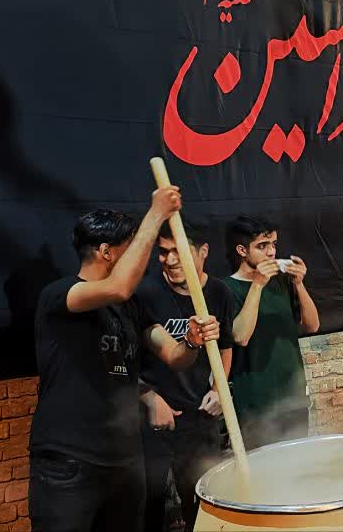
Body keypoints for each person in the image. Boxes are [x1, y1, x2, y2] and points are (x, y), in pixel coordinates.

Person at [29, 190, 221, 531]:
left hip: (125, 460)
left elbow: (175, 356)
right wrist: (156, 214)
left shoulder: (130, 307)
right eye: (131, 246)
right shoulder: (60, 295)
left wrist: (192, 341)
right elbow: (118, 287)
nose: (141, 255)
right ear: (106, 252)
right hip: (70, 461)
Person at [137, 217, 235, 532]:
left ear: (203, 251)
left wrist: (219, 390)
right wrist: (149, 397)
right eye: (163, 252)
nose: (170, 260)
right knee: (149, 504)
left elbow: (225, 348)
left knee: (201, 501)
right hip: (155, 417)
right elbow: (132, 357)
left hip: (199, 416)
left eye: (178, 251)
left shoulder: (219, 292)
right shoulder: (146, 292)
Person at [225, 215, 320, 449]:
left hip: (293, 398)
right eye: (262, 246)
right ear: (242, 250)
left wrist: (299, 283)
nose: (271, 252)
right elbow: (241, 336)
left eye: (274, 244)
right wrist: (257, 284)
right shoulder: (227, 288)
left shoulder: (282, 282)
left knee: (299, 461)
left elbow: (312, 325)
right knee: (263, 466)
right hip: (255, 404)